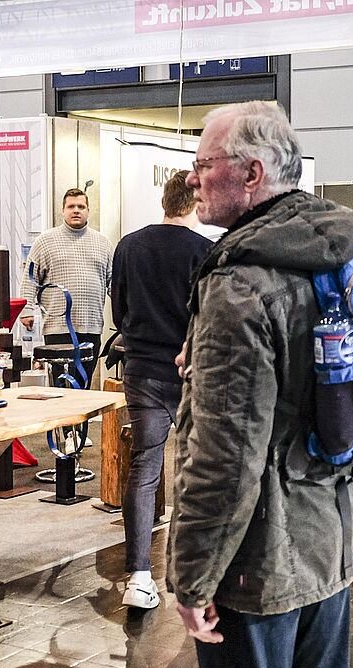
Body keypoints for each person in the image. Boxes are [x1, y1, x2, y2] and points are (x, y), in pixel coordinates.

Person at [171, 101, 353, 668]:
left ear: (252, 174)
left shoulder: (240, 286)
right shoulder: (341, 260)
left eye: (204, 163)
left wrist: (194, 578)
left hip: (259, 562)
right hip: (331, 541)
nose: (191, 178)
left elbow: (225, 455)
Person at [109, 170, 214, 609]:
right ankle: (196, 575)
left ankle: (138, 577)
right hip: (193, 373)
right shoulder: (206, 251)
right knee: (197, 472)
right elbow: (210, 317)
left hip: (142, 369)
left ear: (164, 201)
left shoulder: (128, 246)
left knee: (144, 468)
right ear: (195, 202)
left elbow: (119, 311)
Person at [21, 188, 112, 389]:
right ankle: (62, 422)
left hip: (92, 326)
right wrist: (26, 310)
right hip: (57, 328)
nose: (76, 210)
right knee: (60, 389)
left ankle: (81, 423)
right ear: (63, 210)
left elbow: (112, 282)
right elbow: (30, 278)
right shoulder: (45, 241)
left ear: (88, 210)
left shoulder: (103, 243)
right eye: (71, 206)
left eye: (81, 206)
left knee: (84, 386)